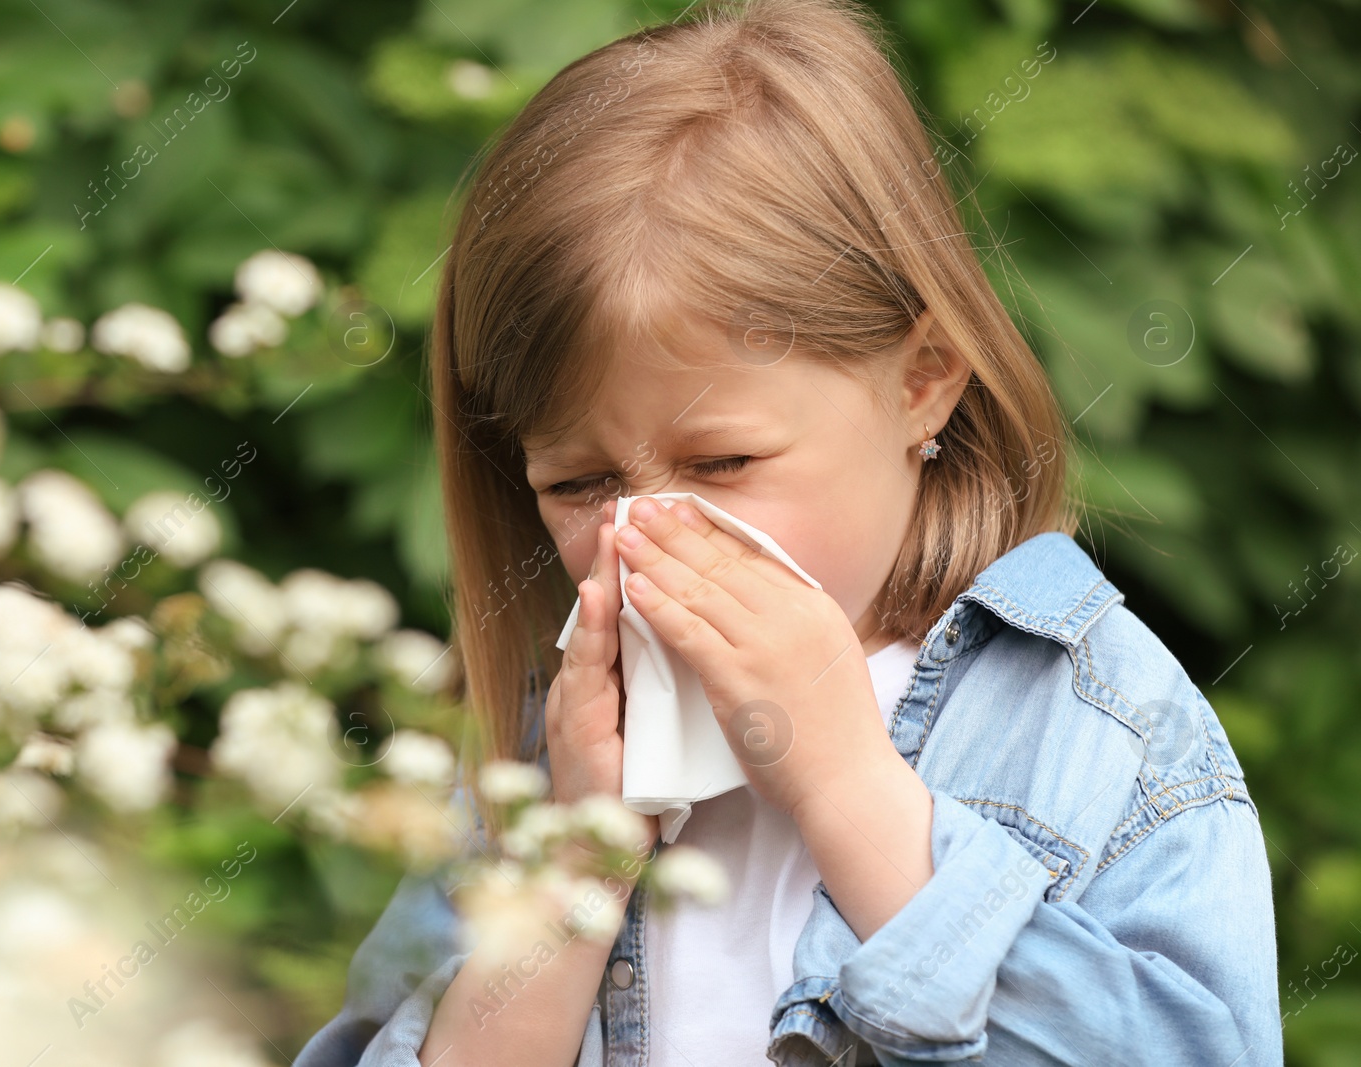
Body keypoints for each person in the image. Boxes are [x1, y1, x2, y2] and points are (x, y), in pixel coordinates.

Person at [294, 0, 1281, 1063]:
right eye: (579, 482)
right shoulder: (538, 752)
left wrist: (847, 788)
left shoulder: (1096, 722)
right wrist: (572, 866)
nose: (647, 532)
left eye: (724, 464)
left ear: (921, 383)